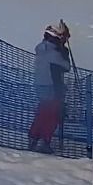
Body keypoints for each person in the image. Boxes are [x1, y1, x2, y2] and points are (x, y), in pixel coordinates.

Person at [28, 21, 71, 154]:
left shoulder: (42, 49)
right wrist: (64, 51)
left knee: (42, 113)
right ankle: (44, 141)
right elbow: (66, 67)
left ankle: (34, 138)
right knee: (52, 115)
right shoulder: (53, 53)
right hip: (52, 87)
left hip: (40, 86)